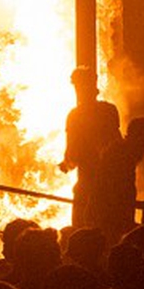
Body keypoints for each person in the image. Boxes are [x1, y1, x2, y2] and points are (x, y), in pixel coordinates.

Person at [62, 65, 123, 232]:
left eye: (78, 85)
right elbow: (117, 144)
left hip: (88, 185)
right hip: (110, 184)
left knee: (82, 231)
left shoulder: (75, 116)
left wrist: (66, 164)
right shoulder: (109, 110)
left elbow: (72, 153)